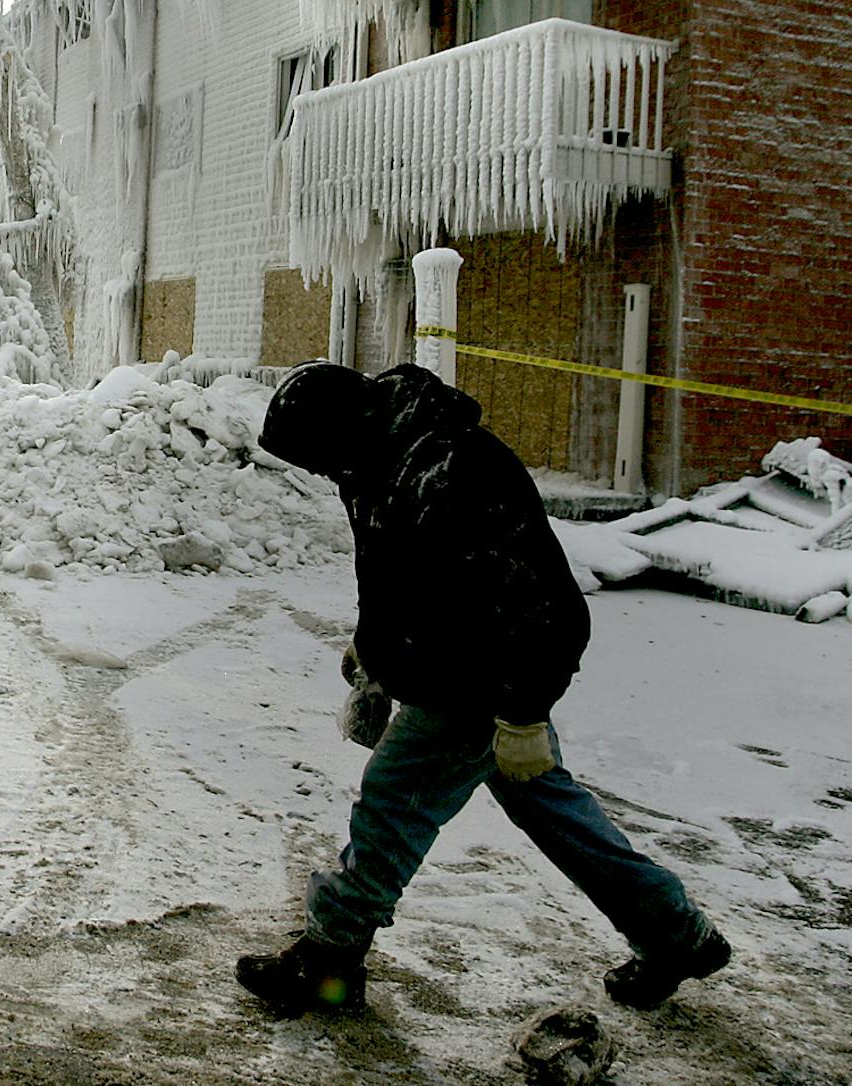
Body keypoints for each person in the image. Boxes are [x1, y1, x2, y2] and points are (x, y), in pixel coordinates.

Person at [237, 360, 729, 1014]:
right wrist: (374, 650)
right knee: (556, 816)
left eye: (318, 458)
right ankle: (678, 936)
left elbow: (550, 612)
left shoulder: (457, 472)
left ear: (344, 431)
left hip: (482, 678)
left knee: (391, 804)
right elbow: (387, 570)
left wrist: (523, 716)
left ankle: (329, 963)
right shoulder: (372, 461)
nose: (321, 473)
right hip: (455, 668)